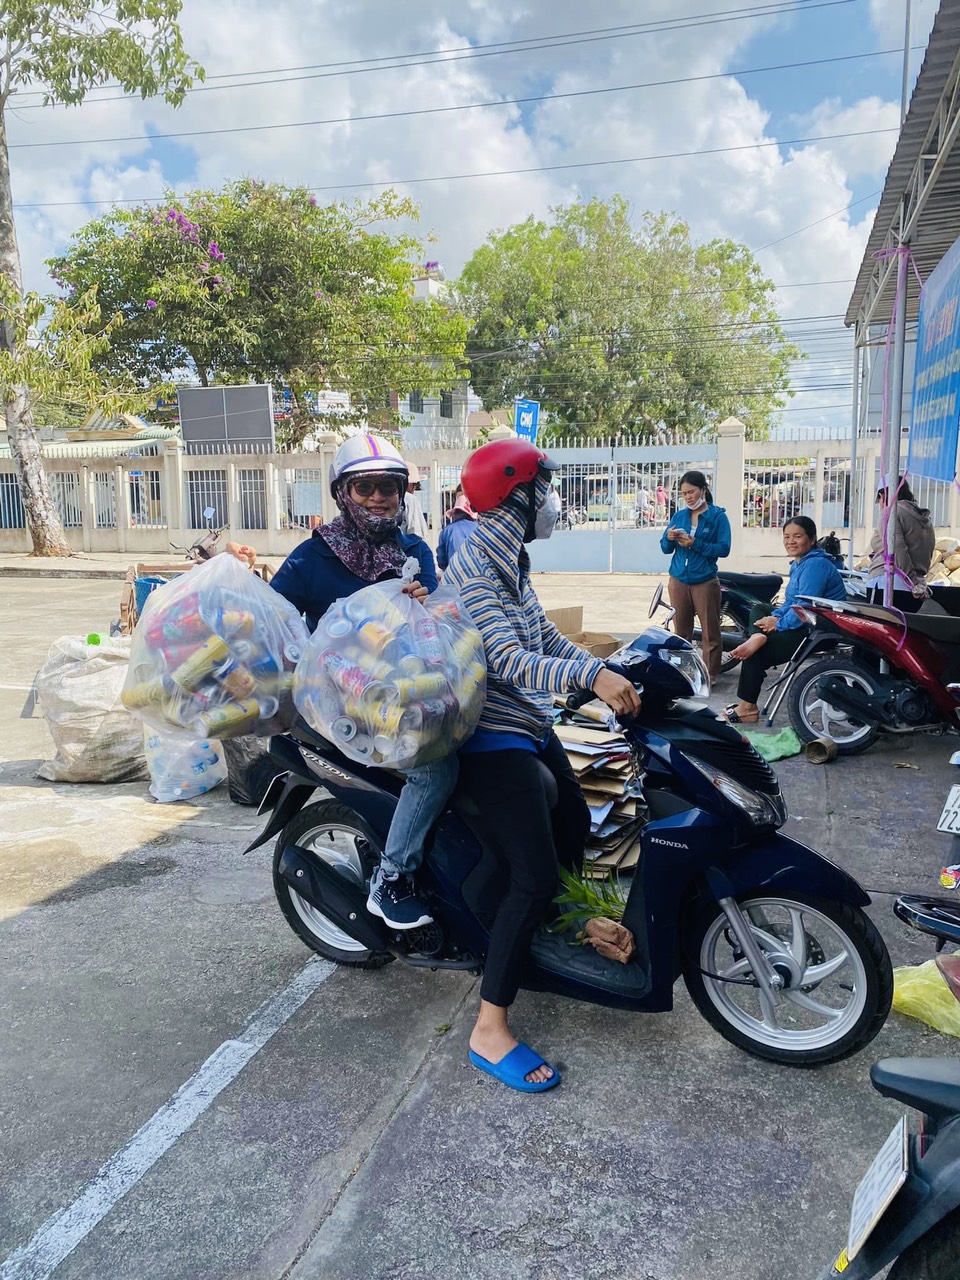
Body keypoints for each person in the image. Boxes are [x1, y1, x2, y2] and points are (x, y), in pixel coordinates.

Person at [444, 439, 641, 1093]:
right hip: (488, 734)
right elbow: (504, 657)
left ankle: (567, 925)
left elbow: (539, 635)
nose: (553, 501)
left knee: (574, 824)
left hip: (524, 722)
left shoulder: (509, 557)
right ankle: (489, 1026)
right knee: (531, 874)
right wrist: (589, 671)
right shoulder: (474, 561)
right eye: (544, 488)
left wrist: (609, 664)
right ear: (514, 496)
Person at [264, 434, 455, 930]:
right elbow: (274, 618)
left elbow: (440, 623)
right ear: (342, 494)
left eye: (388, 488)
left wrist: (426, 601)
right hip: (341, 705)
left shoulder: (414, 549)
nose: (378, 497)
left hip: (403, 693)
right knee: (437, 768)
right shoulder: (313, 557)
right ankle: (391, 879)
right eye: (365, 487)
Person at [726, 515, 846, 724]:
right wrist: (774, 617)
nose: (790, 541)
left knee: (755, 654)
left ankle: (747, 707)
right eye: (787, 536)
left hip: (819, 630)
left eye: (797, 536)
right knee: (760, 609)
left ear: (812, 539)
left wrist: (778, 624)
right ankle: (756, 636)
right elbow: (791, 602)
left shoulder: (815, 565)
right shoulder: (800, 563)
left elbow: (805, 607)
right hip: (805, 621)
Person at [659, 471, 731, 682]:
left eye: (692, 492)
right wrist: (669, 537)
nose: (688, 497)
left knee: (710, 632)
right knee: (681, 631)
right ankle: (685, 675)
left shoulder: (717, 516)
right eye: (684, 494)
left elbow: (724, 549)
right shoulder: (679, 516)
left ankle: (710, 675)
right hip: (678, 580)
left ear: (703, 490)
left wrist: (695, 543)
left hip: (705, 581)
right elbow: (664, 548)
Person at [865, 478, 935, 589]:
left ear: (883, 495)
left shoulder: (890, 513)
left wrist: (911, 581)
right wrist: (917, 583)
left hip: (890, 580)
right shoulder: (923, 518)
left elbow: (897, 549)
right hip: (917, 581)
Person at [436, 493, 477, 572]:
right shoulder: (479, 527)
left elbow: (441, 560)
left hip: (454, 575)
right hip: (477, 575)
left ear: (455, 513)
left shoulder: (446, 531)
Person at [402, 464, 430, 541]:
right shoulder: (410, 500)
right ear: (410, 484)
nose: (414, 491)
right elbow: (417, 534)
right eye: (415, 485)